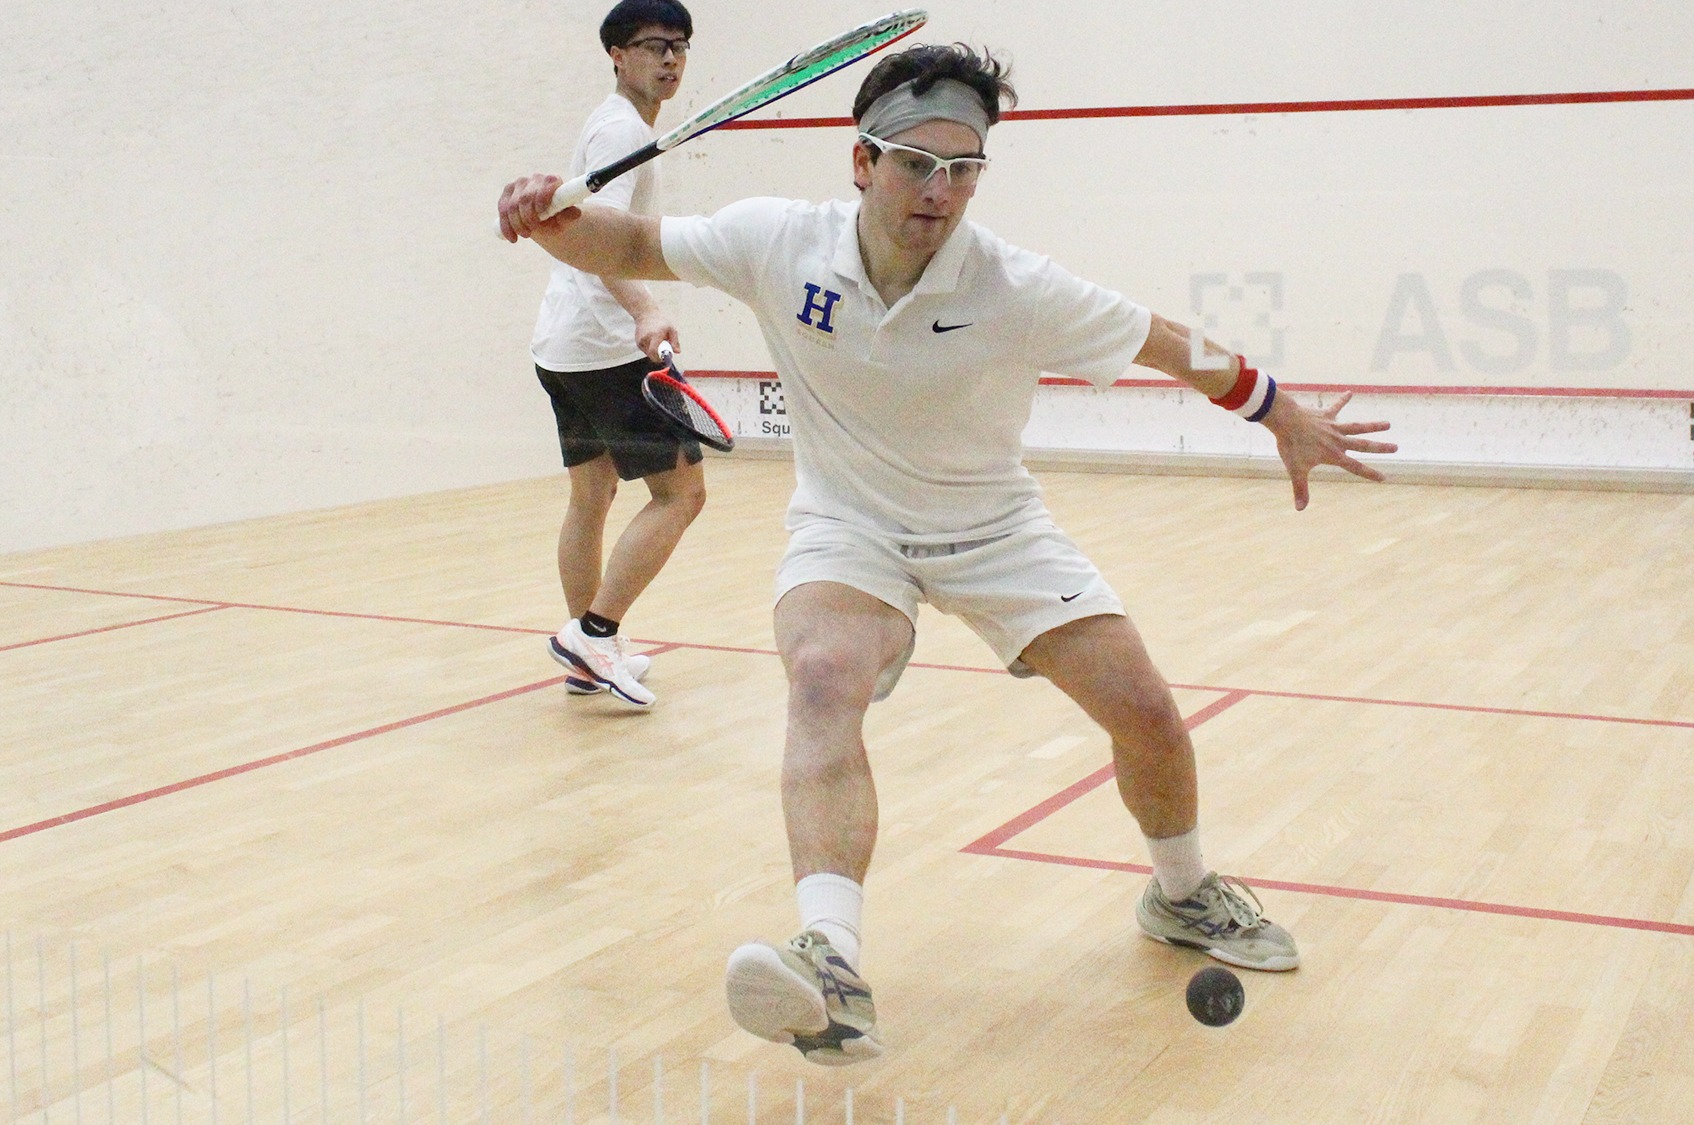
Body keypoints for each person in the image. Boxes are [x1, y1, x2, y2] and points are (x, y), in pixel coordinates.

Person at [498, 43, 1395, 1064]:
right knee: (822, 675)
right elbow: (630, 240)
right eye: (915, 164)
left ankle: (1183, 893)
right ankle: (829, 962)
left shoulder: (1014, 284)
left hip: (995, 530)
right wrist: (549, 215)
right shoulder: (773, 241)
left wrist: (1276, 411)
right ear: (859, 162)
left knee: (1144, 710)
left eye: (963, 168)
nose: (940, 190)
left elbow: (1163, 341)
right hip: (848, 528)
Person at [533, 0, 705, 709]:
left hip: (562, 345)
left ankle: (588, 651)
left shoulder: (614, 126)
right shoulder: (620, 132)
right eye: (653, 45)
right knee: (682, 494)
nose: (670, 58)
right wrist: (645, 307)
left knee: (593, 494)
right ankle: (596, 633)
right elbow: (599, 240)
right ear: (616, 54)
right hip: (606, 348)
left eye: (680, 46)